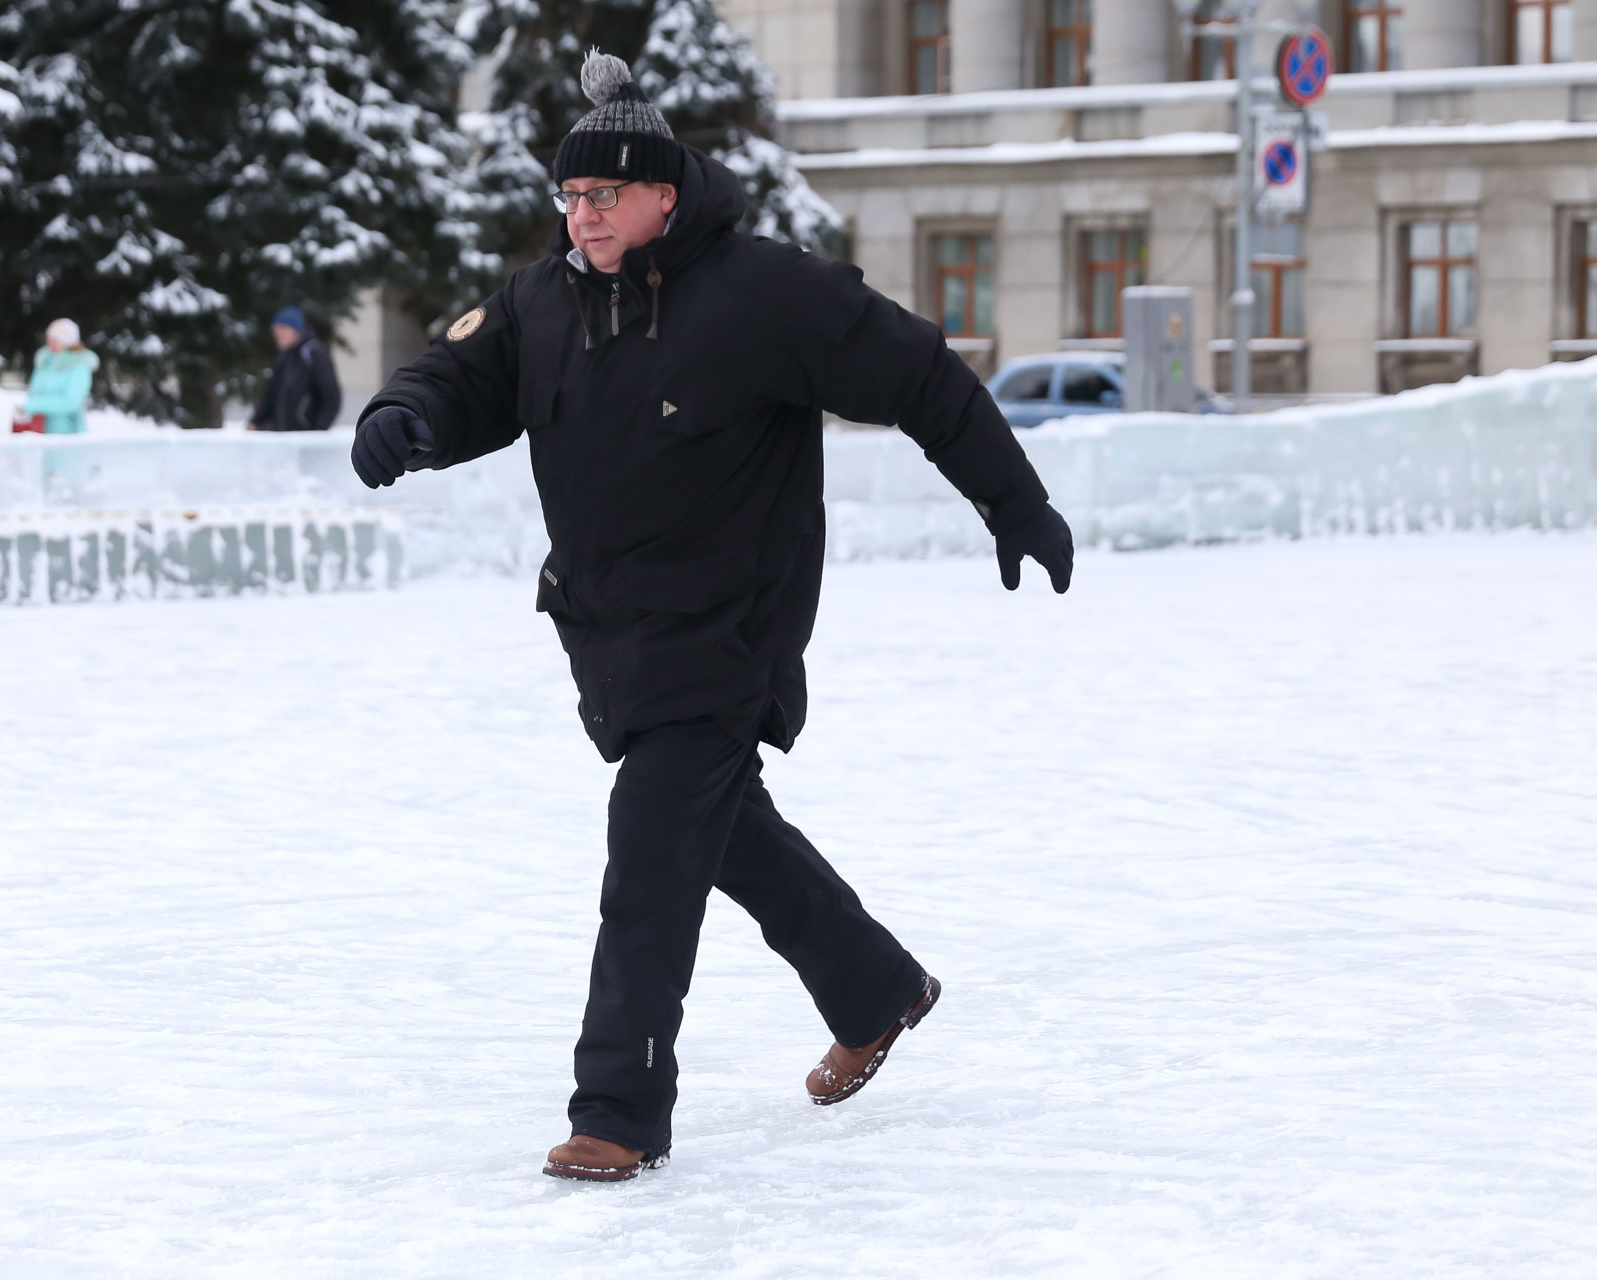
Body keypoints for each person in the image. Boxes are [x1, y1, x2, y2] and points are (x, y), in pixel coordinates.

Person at [351, 50, 1074, 1183]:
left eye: (602, 197)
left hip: (730, 626)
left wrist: (1014, 499)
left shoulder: (763, 293)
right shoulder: (547, 300)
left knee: (649, 853)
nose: (580, 216)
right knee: (718, 822)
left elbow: (921, 372)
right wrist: (404, 417)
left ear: (664, 197)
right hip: (609, 630)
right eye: (569, 198)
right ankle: (875, 985)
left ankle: (619, 1109)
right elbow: (459, 378)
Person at [248, 306, 341, 432]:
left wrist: (319, 429)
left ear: (296, 330)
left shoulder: (314, 354)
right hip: (283, 436)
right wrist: (255, 422)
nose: (278, 333)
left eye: (283, 328)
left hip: (307, 438)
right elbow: (270, 394)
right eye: (276, 328)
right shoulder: (284, 358)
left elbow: (332, 396)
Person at [25, 318, 99, 434]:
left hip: (67, 435)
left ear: (67, 341)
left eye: (55, 340)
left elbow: (70, 402)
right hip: (39, 431)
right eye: (49, 339)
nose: (50, 343)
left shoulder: (79, 365)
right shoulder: (45, 362)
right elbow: (34, 392)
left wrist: (35, 405)